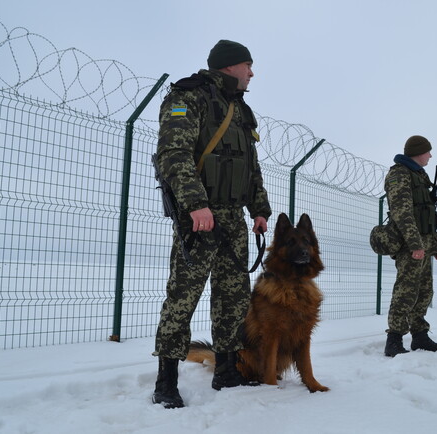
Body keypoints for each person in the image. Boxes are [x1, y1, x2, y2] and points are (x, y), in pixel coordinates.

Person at [152, 40, 272, 408]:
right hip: (199, 218)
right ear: (229, 66)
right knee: (183, 296)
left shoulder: (240, 110)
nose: (252, 73)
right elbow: (173, 155)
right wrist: (196, 205)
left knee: (233, 297)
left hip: (234, 219)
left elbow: (250, 168)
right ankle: (166, 382)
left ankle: (226, 371)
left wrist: (259, 209)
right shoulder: (188, 97)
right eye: (247, 66)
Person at [383, 135, 437, 358]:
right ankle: (394, 339)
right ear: (418, 152)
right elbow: (402, 213)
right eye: (428, 152)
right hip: (411, 243)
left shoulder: (419, 174)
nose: (430, 156)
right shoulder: (399, 174)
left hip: (425, 242)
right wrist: (414, 244)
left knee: (424, 291)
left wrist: (436, 245)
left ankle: (420, 336)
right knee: (406, 291)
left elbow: (428, 213)